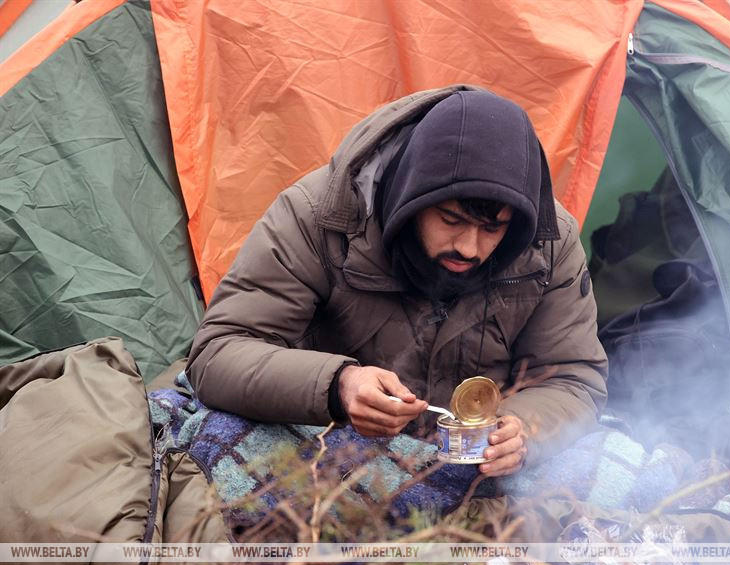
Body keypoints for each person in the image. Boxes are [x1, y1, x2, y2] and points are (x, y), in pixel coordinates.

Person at [186, 86, 607, 478]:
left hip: (474, 465)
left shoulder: (546, 245)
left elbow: (573, 380)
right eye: (451, 219)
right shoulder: (321, 217)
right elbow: (217, 353)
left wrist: (524, 429)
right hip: (329, 443)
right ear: (413, 197)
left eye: (492, 229)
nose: (469, 247)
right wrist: (339, 385)